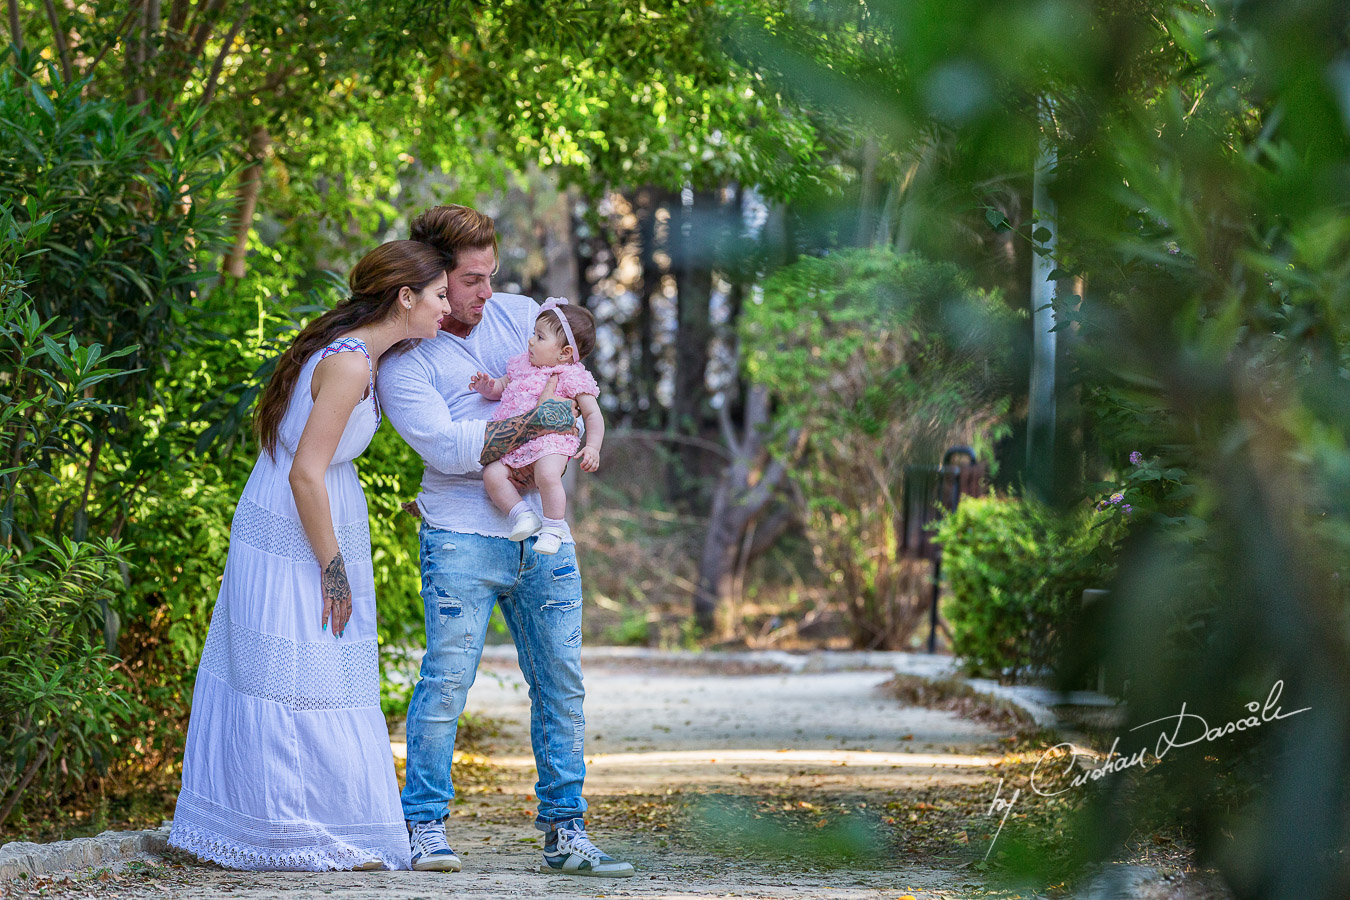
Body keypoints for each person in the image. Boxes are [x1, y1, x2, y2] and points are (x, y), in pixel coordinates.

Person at [167, 240, 451, 871]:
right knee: (296, 672)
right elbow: (305, 473)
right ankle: (286, 829)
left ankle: (305, 819)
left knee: (320, 670)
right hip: (297, 527)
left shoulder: (365, 355)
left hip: (317, 514)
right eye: (437, 296)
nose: (445, 308)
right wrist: (335, 569)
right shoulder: (350, 364)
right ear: (405, 298)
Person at [377, 204, 634, 877]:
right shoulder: (405, 356)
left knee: (562, 684)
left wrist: (565, 424)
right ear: (433, 275)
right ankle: (424, 826)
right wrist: (538, 426)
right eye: (469, 281)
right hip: (461, 535)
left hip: (546, 539)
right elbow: (446, 445)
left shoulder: (523, 314)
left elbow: (576, 394)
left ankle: (565, 831)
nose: (486, 294)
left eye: (491, 275)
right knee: (446, 683)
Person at [471, 297, 604, 555]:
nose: (531, 340)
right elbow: (500, 386)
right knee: (492, 474)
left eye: (540, 337)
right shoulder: (523, 364)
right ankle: (522, 515)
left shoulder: (571, 375)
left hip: (552, 443)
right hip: (516, 446)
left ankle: (553, 528)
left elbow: (593, 415)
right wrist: (487, 387)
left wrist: (594, 448)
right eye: (534, 334)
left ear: (564, 353)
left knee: (547, 473)